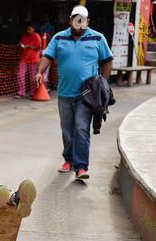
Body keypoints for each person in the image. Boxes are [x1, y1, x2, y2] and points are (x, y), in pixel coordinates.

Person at [35, 5, 113, 180]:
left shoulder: (97, 38)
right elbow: (47, 56)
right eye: (75, 19)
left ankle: (81, 167)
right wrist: (40, 71)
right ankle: (68, 160)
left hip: (87, 95)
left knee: (81, 128)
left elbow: (108, 62)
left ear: (87, 21)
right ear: (70, 20)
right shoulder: (59, 37)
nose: (78, 23)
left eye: (82, 19)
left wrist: (103, 83)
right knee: (67, 130)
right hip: (64, 94)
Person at [15, 22, 42, 99]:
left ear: (33, 29)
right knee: (20, 75)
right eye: (27, 30)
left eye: (30, 29)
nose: (28, 31)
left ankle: (32, 92)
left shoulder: (37, 36)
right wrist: (21, 45)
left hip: (33, 59)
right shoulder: (24, 36)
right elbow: (21, 44)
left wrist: (29, 46)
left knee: (32, 77)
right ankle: (21, 92)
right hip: (24, 58)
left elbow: (38, 48)